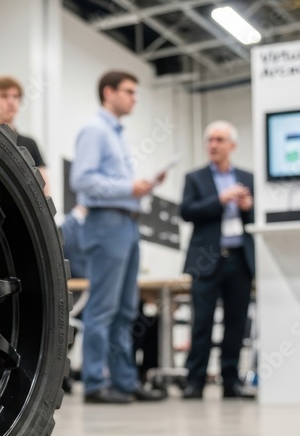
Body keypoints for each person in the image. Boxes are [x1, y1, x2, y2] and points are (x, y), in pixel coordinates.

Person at [70, 70, 166, 404]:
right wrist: (129, 187)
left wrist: (140, 189)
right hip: (106, 223)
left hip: (126, 224)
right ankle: (94, 383)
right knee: (103, 306)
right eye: (129, 91)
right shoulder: (95, 131)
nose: (134, 98)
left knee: (126, 309)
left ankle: (125, 381)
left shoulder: (116, 134)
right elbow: (82, 180)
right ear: (108, 92)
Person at [179, 121, 256, 400]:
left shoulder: (248, 178)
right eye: (210, 139)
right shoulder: (195, 178)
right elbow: (186, 211)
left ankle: (231, 381)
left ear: (232, 145)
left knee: (236, 322)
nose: (213, 144)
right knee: (202, 322)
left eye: (219, 140)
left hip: (239, 259)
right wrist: (220, 199)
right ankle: (195, 381)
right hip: (206, 260)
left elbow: (257, 217)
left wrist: (248, 207)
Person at [0, 76, 49, 194]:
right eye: (4, 96)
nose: (11, 102)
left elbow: (44, 191)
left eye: (15, 97)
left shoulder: (30, 144)